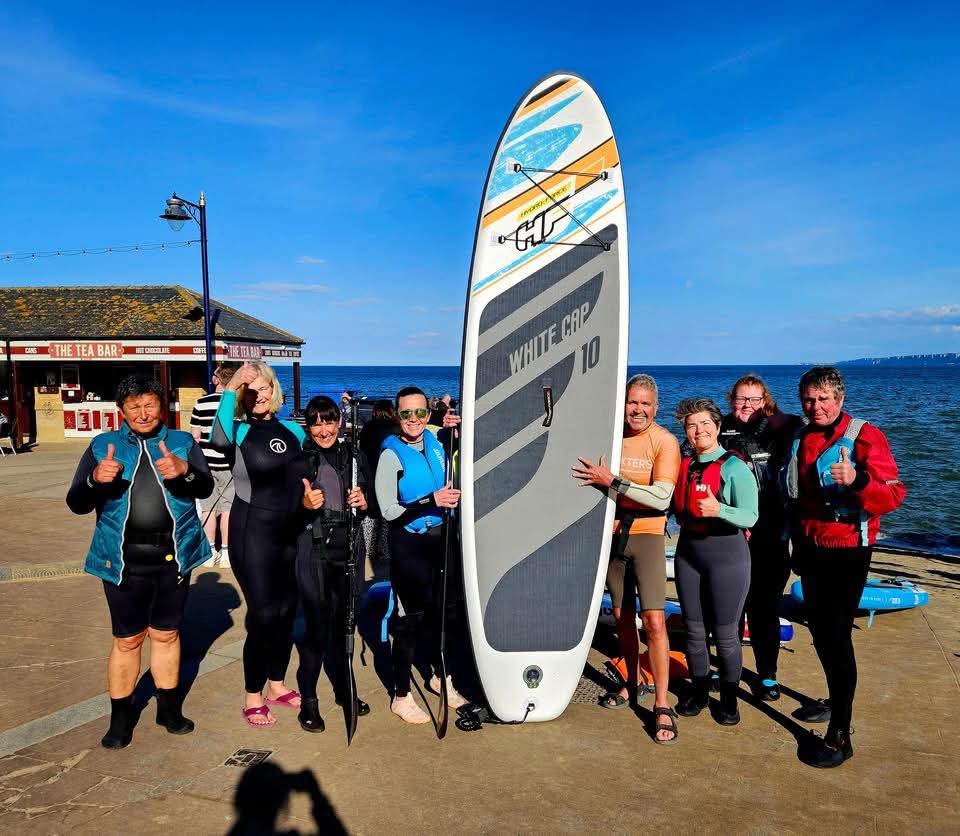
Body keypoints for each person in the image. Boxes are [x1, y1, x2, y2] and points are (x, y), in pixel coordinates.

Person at [66, 375, 214, 749]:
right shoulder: (103, 445)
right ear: (122, 410)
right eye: (134, 406)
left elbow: (206, 487)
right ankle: (120, 719)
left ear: (162, 406)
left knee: (166, 634)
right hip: (121, 559)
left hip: (174, 556)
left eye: (150, 404)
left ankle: (168, 710)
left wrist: (185, 471)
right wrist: (94, 480)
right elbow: (76, 503)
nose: (143, 413)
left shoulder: (182, 442)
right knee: (128, 640)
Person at [783, 366, 905, 767]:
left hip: (849, 548)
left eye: (824, 399)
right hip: (810, 545)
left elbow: (894, 494)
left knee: (836, 637)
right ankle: (835, 700)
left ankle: (840, 733)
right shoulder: (801, 436)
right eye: (809, 399)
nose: (816, 407)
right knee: (820, 633)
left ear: (840, 399)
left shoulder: (865, 436)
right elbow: (798, 497)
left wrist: (857, 480)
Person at [572, 374, 681, 743]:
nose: (638, 409)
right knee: (621, 617)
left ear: (656, 407)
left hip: (648, 536)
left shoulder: (664, 441)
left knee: (654, 621)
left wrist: (613, 482)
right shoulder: (611, 435)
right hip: (614, 536)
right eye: (632, 402)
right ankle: (631, 682)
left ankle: (662, 703)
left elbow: (662, 496)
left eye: (645, 403)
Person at [209, 361, 308, 727]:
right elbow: (217, 440)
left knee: (286, 613)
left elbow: (310, 473)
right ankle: (252, 694)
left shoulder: (293, 430)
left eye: (262, 387)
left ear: (274, 388)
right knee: (264, 615)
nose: (257, 395)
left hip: (290, 535)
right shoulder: (236, 431)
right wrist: (232, 387)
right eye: (249, 391)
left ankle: (277, 685)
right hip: (253, 534)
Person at [374, 386, 465, 724]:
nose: (413, 420)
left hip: (442, 541)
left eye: (420, 413)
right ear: (397, 415)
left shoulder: (436, 439)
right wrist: (430, 501)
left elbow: (455, 435)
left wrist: (455, 424)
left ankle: (441, 677)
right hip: (410, 544)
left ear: (428, 414)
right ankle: (401, 695)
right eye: (406, 413)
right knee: (409, 620)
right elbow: (388, 510)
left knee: (447, 613)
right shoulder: (390, 454)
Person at [672, 398, 758, 726]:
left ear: (718, 427)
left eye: (705, 423)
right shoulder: (683, 466)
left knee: (725, 634)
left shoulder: (734, 467)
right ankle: (699, 692)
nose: (699, 431)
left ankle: (730, 701)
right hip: (689, 555)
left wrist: (719, 509)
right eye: (692, 426)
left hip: (728, 558)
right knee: (694, 630)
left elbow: (751, 516)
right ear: (685, 431)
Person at [720, 374, 803, 701]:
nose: (747, 406)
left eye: (755, 399)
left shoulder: (779, 428)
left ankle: (767, 674)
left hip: (770, 532)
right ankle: (727, 668)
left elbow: (800, 424)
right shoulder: (720, 426)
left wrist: (771, 412)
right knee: (729, 606)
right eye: (742, 399)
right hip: (730, 530)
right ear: (731, 400)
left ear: (765, 401)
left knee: (764, 607)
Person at [295, 395, 371, 732]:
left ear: (339, 422)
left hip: (350, 550)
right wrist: (303, 504)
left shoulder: (355, 457)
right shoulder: (300, 461)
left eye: (329, 421)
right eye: (316, 423)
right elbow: (285, 509)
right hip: (314, 551)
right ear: (308, 427)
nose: (324, 429)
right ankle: (309, 701)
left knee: (345, 625)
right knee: (316, 629)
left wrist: (364, 501)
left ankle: (344, 689)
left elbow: (373, 502)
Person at [190, 363, 239, 567]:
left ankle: (210, 551)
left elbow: (195, 436)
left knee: (207, 508)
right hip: (230, 464)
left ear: (216, 379)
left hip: (206, 465)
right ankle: (226, 552)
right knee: (228, 508)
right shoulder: (236, 404)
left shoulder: (201, 402)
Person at [358, 399, 399, 567]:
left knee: (370, 513)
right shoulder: (395, 429)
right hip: (389, 474)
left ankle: (367, 551)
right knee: (387, 514)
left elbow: (362, 450)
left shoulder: (368, 428)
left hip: (369, 471)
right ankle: (384, 551)